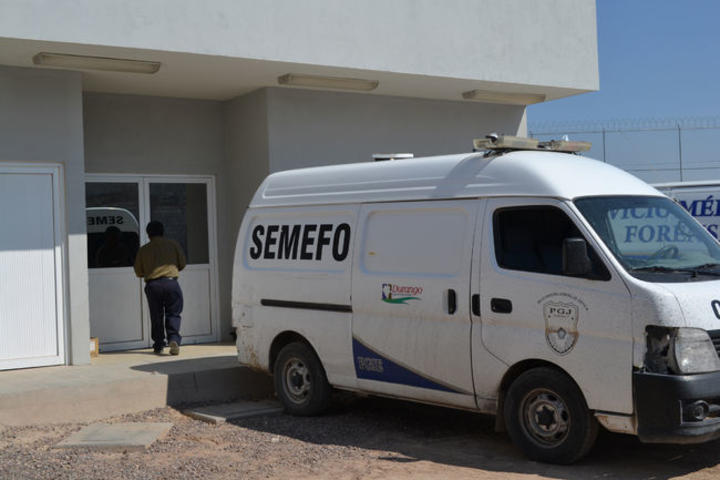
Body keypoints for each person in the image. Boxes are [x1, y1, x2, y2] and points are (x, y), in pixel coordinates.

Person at [133, 221, 186, 355]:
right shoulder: (173, 245)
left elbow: (138, 271)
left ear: (148, 234)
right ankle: (173, 339)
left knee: (156, 316)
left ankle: (158, 344)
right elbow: (182, 263)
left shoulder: (144, 250)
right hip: (171, 283)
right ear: (163, 231)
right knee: (173, 313)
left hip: (153, 285)